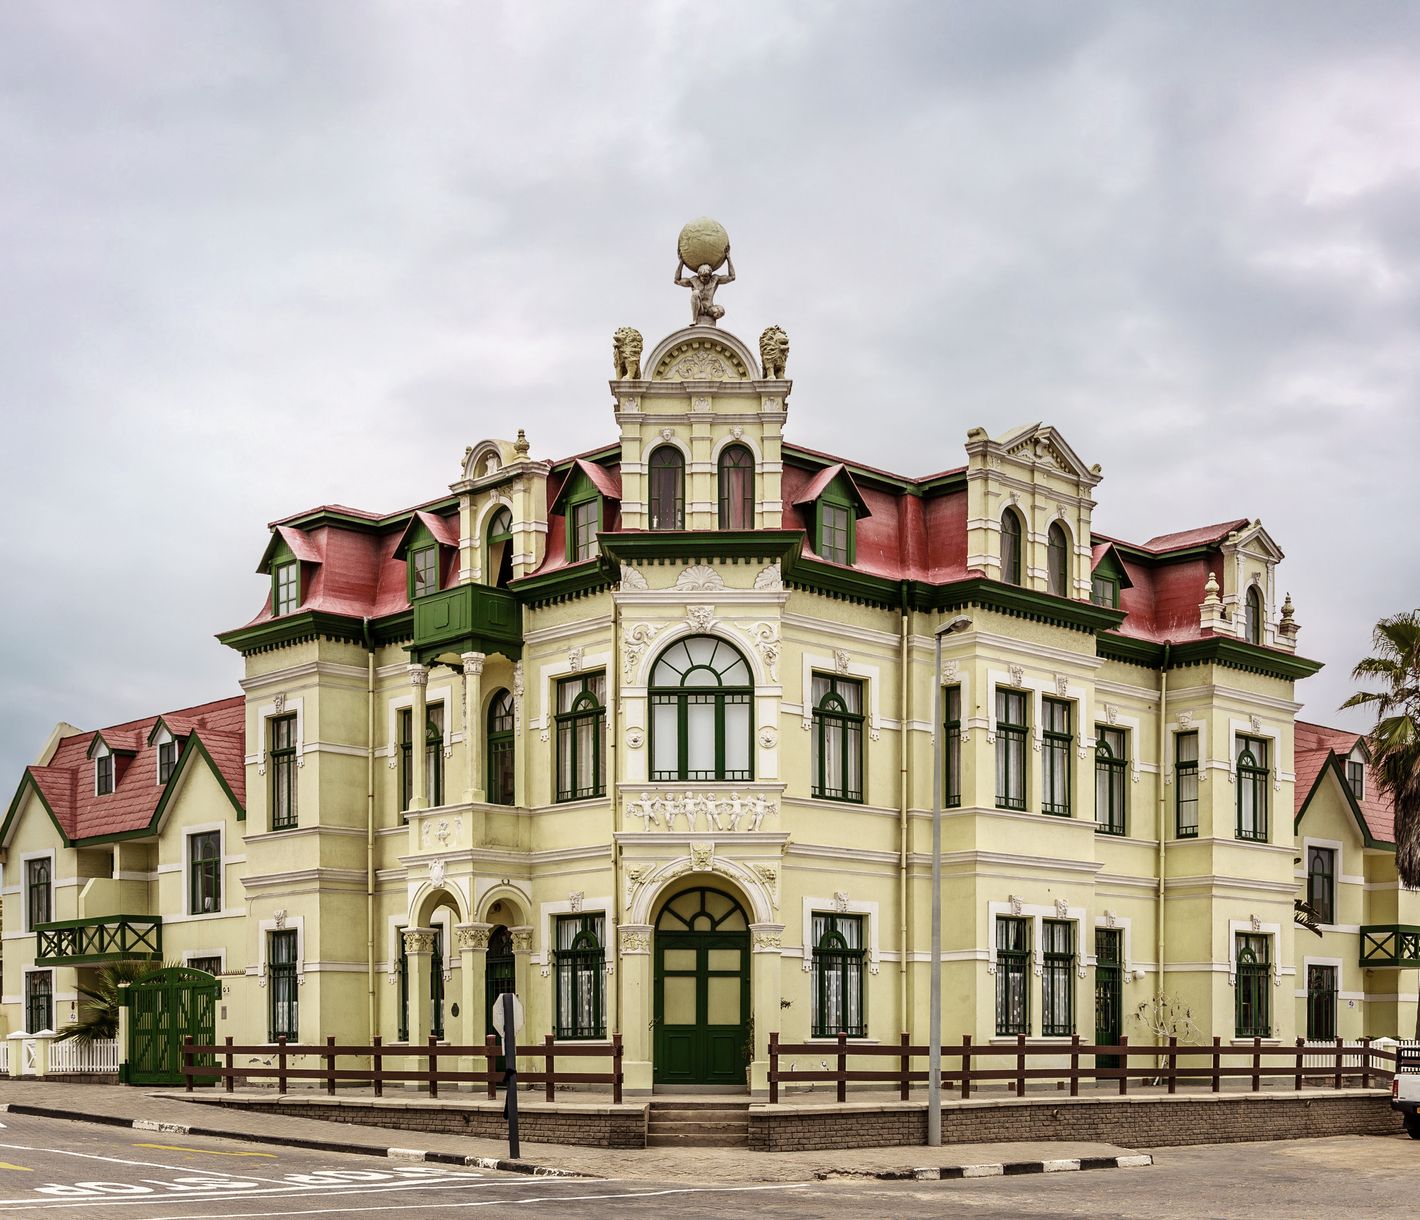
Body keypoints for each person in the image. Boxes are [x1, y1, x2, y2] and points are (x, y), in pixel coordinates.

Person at [674, 246, 735, 326]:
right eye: (703, 277)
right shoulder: (694, 281)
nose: (705, 279)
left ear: (710, 275)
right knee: (695, 293)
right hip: (700, 308)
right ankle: (695, 320)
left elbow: (732, 277)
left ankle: (710, 322)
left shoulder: (715, 279)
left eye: (707, 276)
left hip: (710, 308)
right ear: (699, 275)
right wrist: (681, 262)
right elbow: (677, 280)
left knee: (720, 311)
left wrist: (728, 257)